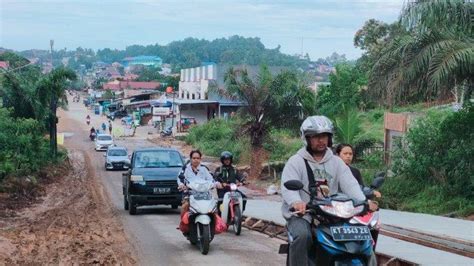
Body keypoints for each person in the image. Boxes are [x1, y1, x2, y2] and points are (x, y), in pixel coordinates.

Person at [281, 115, 376, 266]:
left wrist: (364, 202)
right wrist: (296, 202)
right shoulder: (296, 162)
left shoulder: (337, 162)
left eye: (324, 136)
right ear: (306, 138)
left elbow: (351, 185)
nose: (321, 140)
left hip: (332, 215)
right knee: (302, 236)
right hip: (304, 214)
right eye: (316, 136)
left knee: (363, 233)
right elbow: (288, 188)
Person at [177, 150, 215, 216]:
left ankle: (216, 225)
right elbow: (180, 178)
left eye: (198, 158)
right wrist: (181, 185)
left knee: (213, 206)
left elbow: (211, 179)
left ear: (200, 159)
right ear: (191, 159)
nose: (196, 160)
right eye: (194, 158)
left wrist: (214, 184)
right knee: (185, 206)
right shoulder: (185, 168)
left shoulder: (204, 168)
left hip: (204, 194)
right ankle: (182, 225)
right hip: (189, 193)